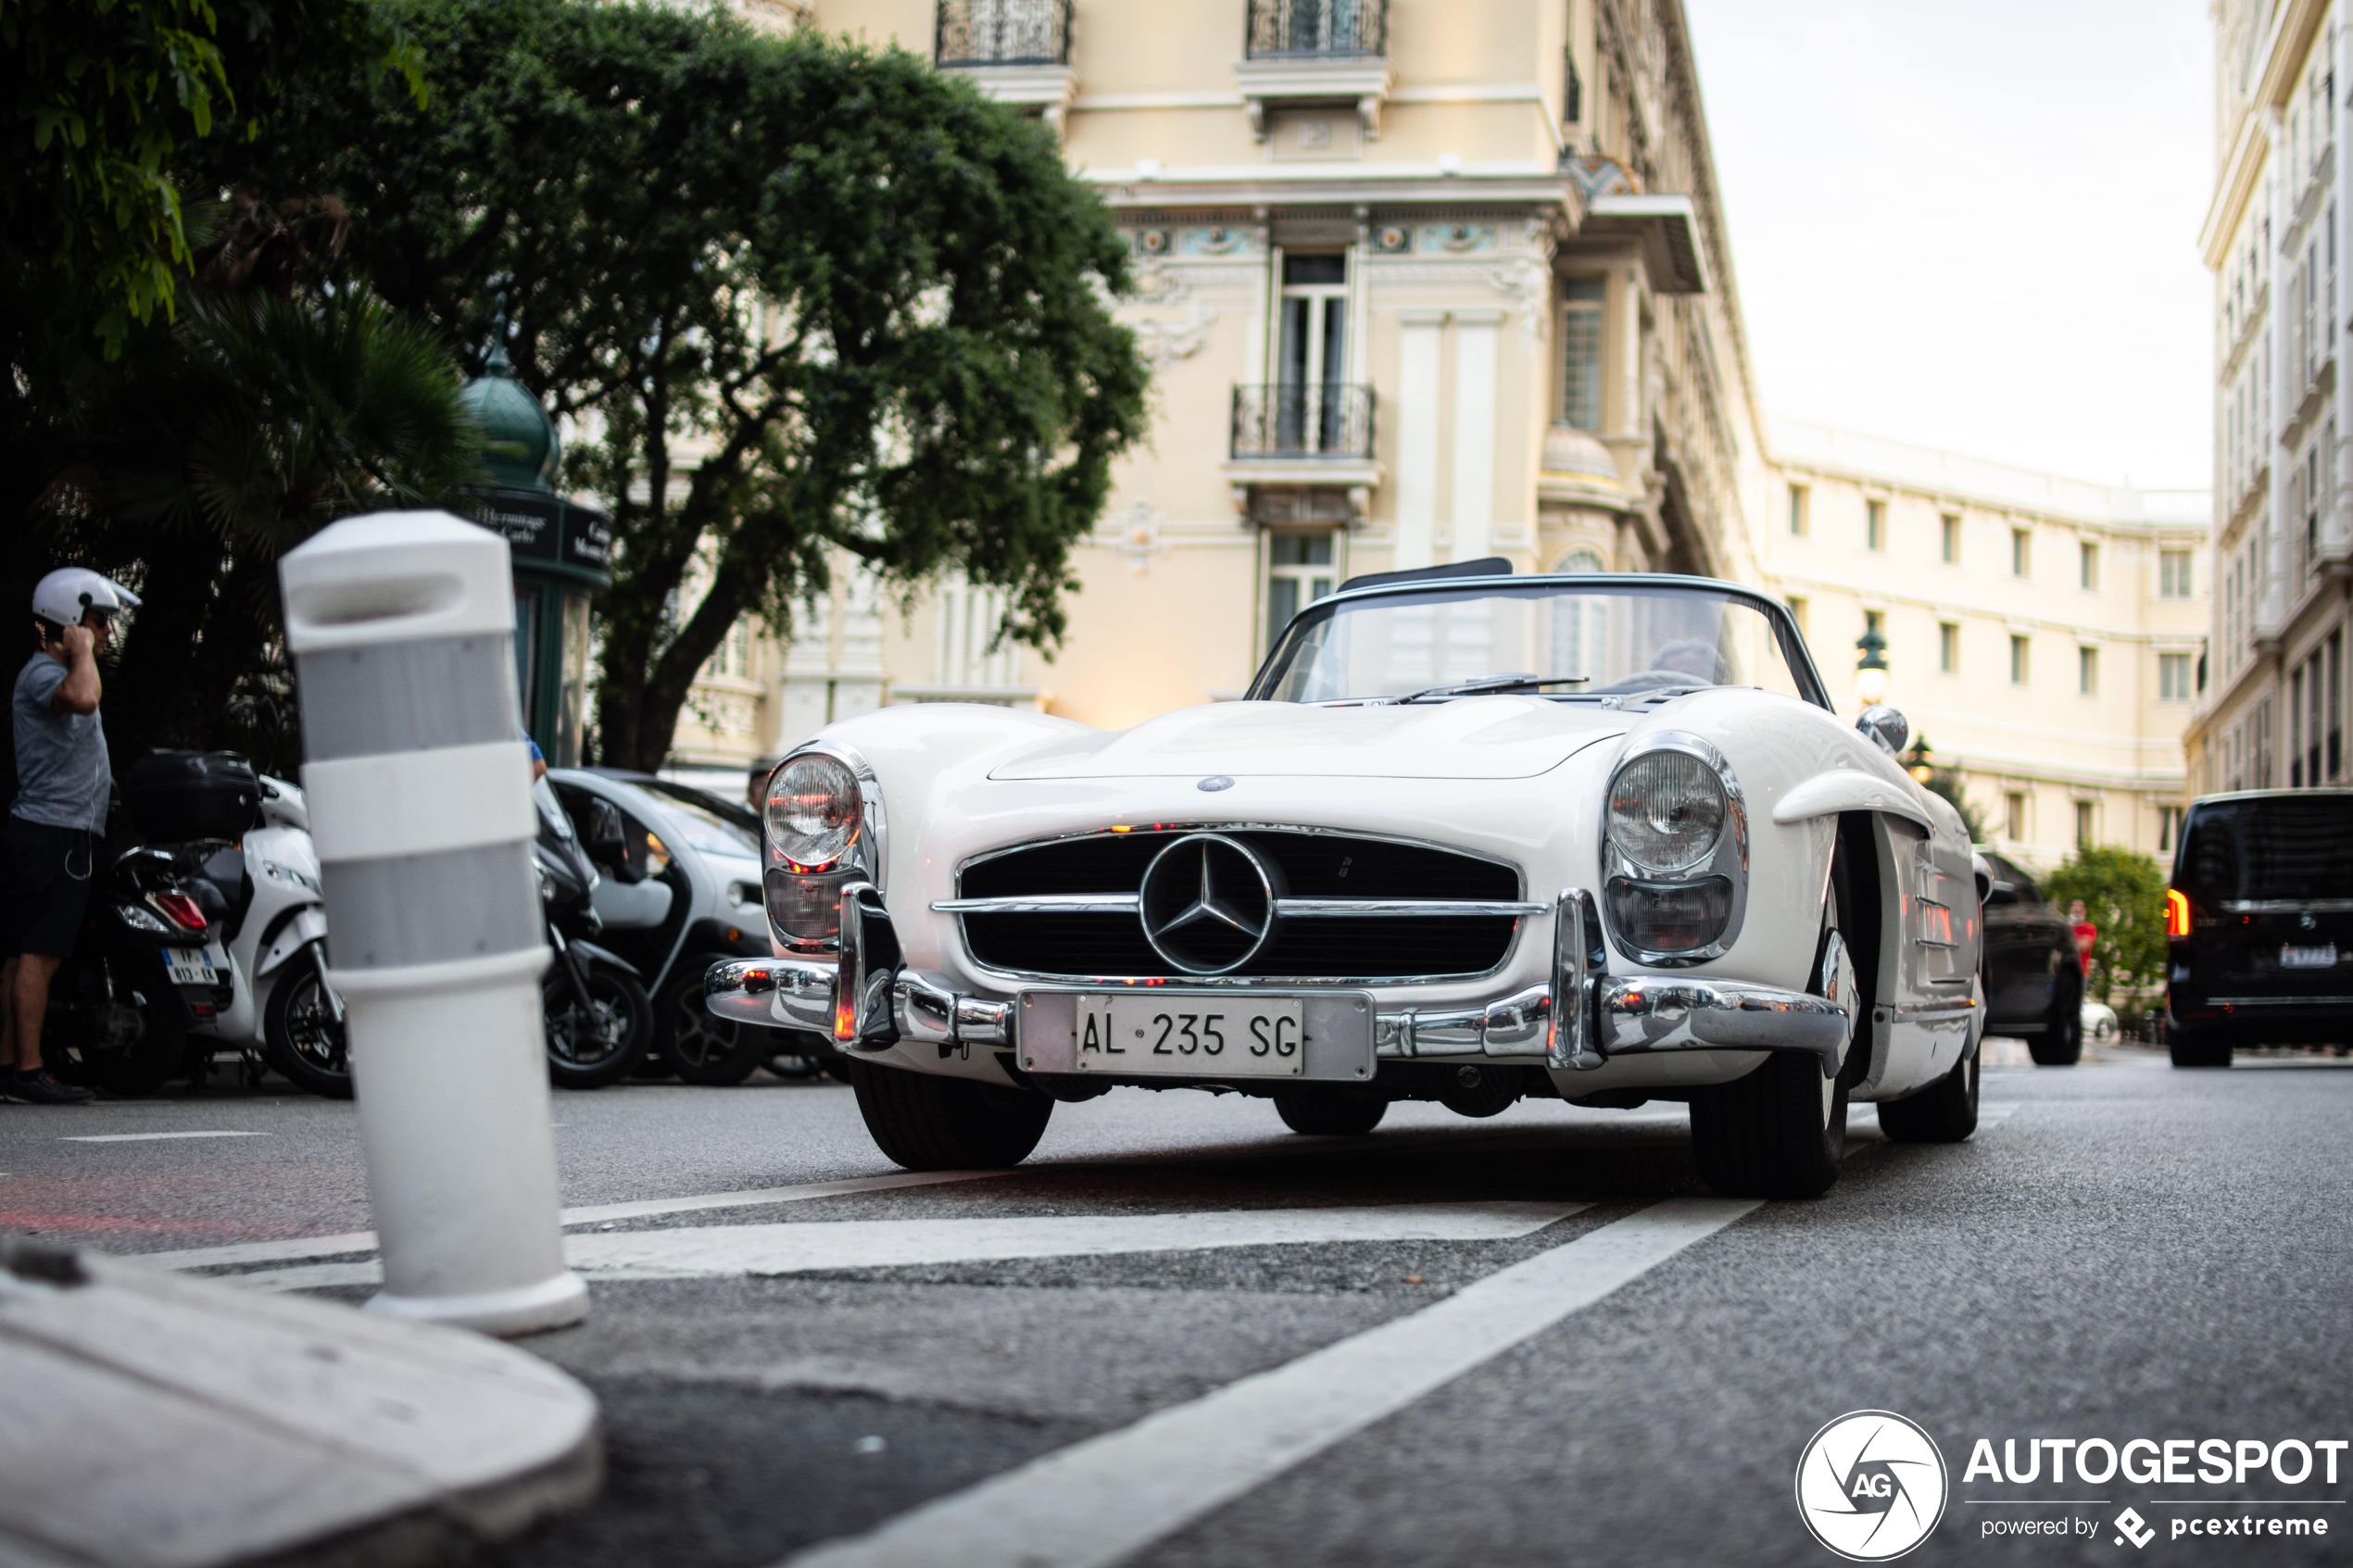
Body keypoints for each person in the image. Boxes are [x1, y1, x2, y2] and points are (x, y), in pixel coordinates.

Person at [2, 569, 139, 1105]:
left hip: (52, 833)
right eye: (98, 621)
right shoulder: (44, 674)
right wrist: (79, 650)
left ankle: (11, 1066)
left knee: (21, 956)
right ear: (69, 619)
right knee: (39, 956)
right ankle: (30, 1070)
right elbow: (83, 699)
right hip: (52, 833)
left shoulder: (48, 672)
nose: (105, 634)